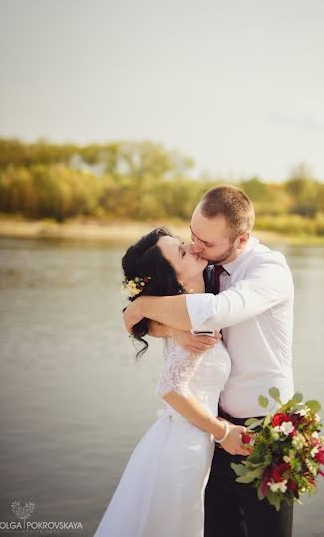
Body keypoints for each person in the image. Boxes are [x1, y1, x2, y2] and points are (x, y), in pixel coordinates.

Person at [124, 185, 295, 537]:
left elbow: (217, 311)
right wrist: (166, 328)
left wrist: (140, 307)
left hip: (262, 431)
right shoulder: (202, 267)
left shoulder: (269, 270)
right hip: (210, 430)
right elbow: (157, 303)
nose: (195, 248)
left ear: (242, 239)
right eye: (192, 235)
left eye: (207, 243)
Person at [95, 226, 247, 537]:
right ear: (174, 279)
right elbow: (170, 389)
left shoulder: (188, 308)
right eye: (181, 252)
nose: (193, 247)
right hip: (183, 449)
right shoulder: (191, 320)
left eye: (182, 243)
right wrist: (223, 431)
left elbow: (137, 317)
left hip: (183, 438)